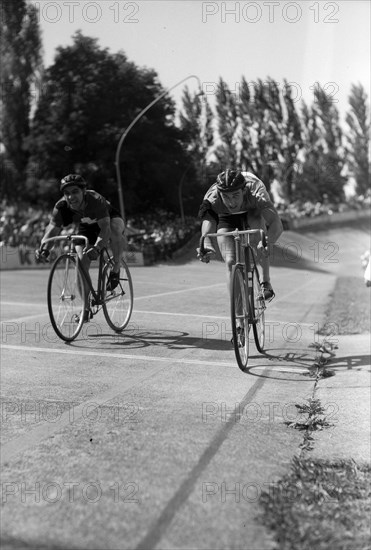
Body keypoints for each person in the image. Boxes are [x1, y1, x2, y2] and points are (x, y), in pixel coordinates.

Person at [35, 174, 126, 321]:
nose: (71, 197)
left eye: (75, 192)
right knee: (81, 263)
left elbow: (105, 229)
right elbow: (51, 231)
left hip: (107, 221)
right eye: (67, 193)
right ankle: (85, 309)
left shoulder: (95, 200)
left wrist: (97, 248)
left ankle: (116, 267)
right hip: (87, 227)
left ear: (84, 191)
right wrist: (43, 248)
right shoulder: (61, 207)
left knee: (116, 228)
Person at [197, 169, 283, 300]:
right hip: (226, 216)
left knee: (259, 241)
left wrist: (267, 242)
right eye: (226, 196)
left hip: (252, 209)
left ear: (243, 190)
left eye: (235, 195)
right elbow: (208, 227)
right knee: (230, 262)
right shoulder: (212, 198)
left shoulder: (257, 193)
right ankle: (238, 318)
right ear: (220, 193)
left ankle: (266, 283)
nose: (231, 202)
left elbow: (276, 224)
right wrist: (207, 246)